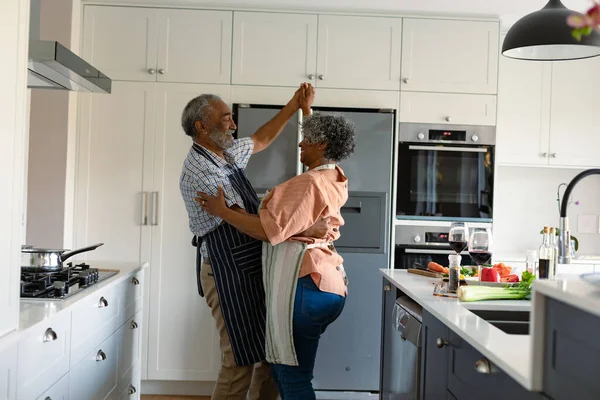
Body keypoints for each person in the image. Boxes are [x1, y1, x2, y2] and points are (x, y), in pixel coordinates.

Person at [195, 112, 357, 399]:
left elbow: (265, 230)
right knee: (287, 372)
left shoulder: (308, 183)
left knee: (291, 377)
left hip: (307, 285)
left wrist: (221, 211)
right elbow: (295, 219)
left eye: (307, 139)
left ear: (323, 145)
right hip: (330, 285)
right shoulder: (336, 176)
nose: (300, 143)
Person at [179, 84, 324, 400]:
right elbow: (249, 224)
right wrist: (298, 224)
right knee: (239, 360)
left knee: (270, 354)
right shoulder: (203, 171)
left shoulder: (223, 151)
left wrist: (295, 104)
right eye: (226, 119)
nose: (232, 125)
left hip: (248, 266)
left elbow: (261, 139)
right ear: (202, 127)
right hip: (225, 270)